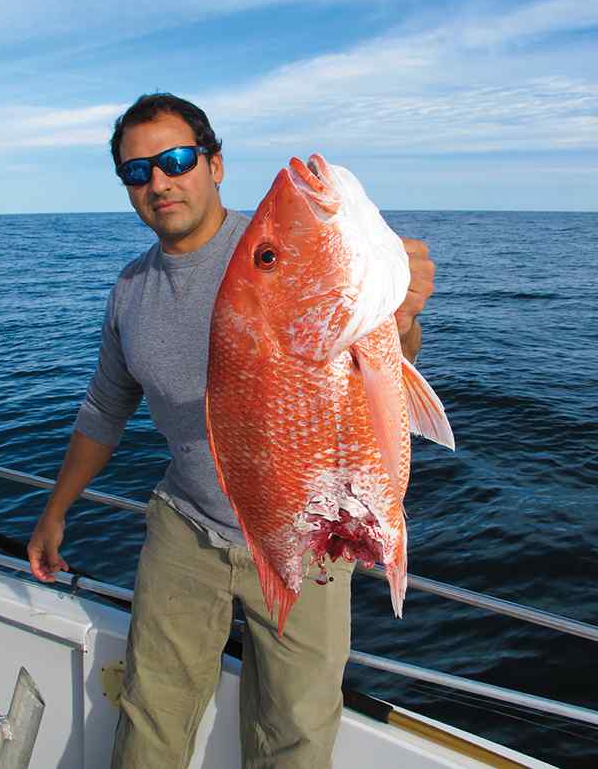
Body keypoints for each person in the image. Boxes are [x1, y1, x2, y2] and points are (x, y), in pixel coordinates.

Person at [28, 93, 435, 769]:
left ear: (214, 164)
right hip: (185, 527)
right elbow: (104, 410)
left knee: (296, 736)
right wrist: (55, 510)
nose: (159, 181)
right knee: (149, 721)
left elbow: (379, 366)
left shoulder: (278, 244)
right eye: (137, 171)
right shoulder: (130, 291)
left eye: (177, 159)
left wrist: (400, 319)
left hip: (307, 536)